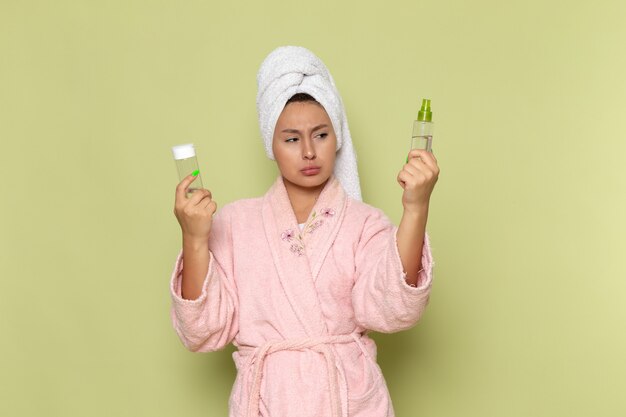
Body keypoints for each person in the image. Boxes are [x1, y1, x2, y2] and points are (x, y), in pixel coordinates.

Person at [169, 46, 439, 417]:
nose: (309, 152)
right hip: (267, 401)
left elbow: (392, 309)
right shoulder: (233, 223)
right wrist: (195, 238)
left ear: (338, 137)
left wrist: (416, 208)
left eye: (321, 135)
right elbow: (202, 330)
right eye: (292, 139)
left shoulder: (366, 223)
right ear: (272, 144)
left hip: (348, 400)